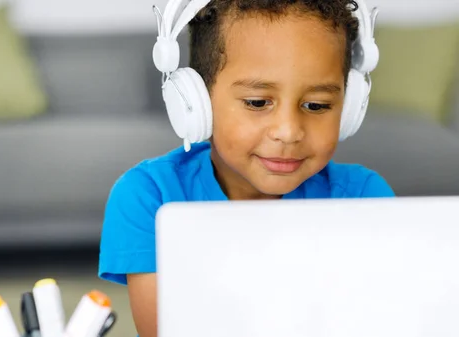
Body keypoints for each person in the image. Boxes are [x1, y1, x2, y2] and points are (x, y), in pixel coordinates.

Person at [98, 0, 394, 336]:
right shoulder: (150, 196)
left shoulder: (365, 199)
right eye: (257, 102)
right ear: (195, 103)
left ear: (349, 106)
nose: (288, 131)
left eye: (317, 105)